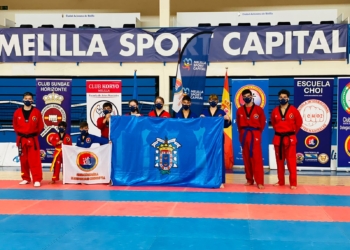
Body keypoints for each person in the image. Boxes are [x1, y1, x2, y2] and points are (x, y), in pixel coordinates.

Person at [271, 89, 303, 190]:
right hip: (278, 139)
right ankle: (281, 181)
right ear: (278, 98)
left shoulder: (294, 110)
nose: (282, 99)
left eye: (284, 97)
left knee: (291, 161)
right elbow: (274, 123)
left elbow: (299, 123)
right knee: (279, 161)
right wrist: (281, 132)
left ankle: (293, 183)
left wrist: (291, 133)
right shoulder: (275, 111)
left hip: (290, 139)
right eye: (281, 97)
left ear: (288, 98)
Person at [236, 89, 266, 189]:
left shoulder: (259, 110)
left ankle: (260, 181)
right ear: (242, 98)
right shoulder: (239, 110)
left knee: (256, 159)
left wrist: (257, 133)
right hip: (244, 134)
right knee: (246, 158)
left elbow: (262, 124)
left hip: (255, 134)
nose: (246, 98)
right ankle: (249, 179)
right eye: (244, 97)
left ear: (252, 96)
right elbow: (238, 125)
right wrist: (242, 134)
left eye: (248, 96)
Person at [13, 92, 44, 187]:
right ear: (23, 100)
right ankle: (26, 178)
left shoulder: (37, 112)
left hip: (32, 138)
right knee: (23, 160)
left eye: (29, 98)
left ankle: (37, 179)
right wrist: (22, 133)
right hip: (22, 139)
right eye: (26, 98)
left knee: (34, 160)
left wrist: (32, 134)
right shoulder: (17, 112)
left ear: (32, 100)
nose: (27, 100)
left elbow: (40, 126)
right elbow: (15, 125)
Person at [201, 94, 232, 187]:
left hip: (218, 137)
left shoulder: (222, 112)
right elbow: (201, 126)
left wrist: (228, 119)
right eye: (211, 99)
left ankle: (221, 180)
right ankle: (208, 178)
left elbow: (226, 125)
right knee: (208, 157)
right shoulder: (204, 112)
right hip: (207, 137)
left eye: (215, 100)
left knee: (219, 158)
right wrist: (201, 119)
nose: (213, 101)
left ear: (217, 101)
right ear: (208, 101)